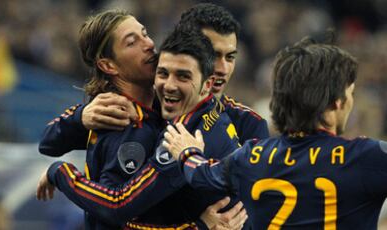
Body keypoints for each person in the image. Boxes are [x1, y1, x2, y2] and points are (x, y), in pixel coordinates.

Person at [37, 12, 246, 229]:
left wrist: (59, 173)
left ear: (207, 83)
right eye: (132, 42)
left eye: (144, 34)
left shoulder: (178, 122)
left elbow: (116, 208)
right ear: (108, 65)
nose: (148, 44)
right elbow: (48, 142)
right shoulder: (121, 121)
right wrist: (80, 118)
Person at [163, 35, 387, 229]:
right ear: (336, 103)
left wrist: (186, 152)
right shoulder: (367, 157)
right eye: (351, 93)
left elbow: (201, 174)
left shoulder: (250, 157)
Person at [38, 3, 269, 158]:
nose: (221, 68)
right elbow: (48, 142)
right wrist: (79, 119)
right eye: (210, 54)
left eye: (230, 57)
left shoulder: (248, 123)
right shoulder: (125, 112)